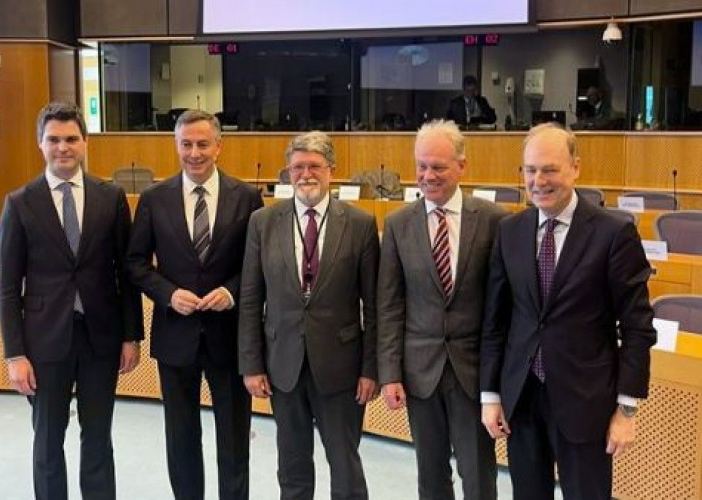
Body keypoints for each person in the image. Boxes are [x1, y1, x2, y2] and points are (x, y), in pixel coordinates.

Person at [480, 123, 656, 500]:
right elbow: (496, 322)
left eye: (550, 169)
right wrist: (490, 394)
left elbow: (638, 328)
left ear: (575, 168)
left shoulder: (613, 234)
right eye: (530, 170)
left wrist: (627, 409)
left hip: (585, 402)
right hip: (522, 398)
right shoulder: (510, 231)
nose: (538, 181)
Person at [0, 101, 143, 500]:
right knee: (47, 440)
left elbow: (126, 273)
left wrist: (131, 335)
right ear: (40, 143)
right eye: (54, 139)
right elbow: (8, 287)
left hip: (101, 339)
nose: (63, 147)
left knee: (98, 437)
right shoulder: (20, 202)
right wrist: (14, 354)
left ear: (85, 142)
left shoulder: (111, 197)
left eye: (71, 139)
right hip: (43, 342)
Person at [126, 109, 263, 500]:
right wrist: (168, 293)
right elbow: (135, 263)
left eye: (203, 144)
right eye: (186, 144)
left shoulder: (247, 197)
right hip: (175, 337)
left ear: (219, 146)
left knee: (234, 439)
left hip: (230, 339)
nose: (194, 153)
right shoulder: (154, 199)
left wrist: (232, 292)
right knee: (181, 438)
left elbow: (258, 263)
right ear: (176, 145)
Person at [239, 131, 379, 500]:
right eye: (297, 167)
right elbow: (251, 299)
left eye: (314, 166)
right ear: (288, 172)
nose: (305, 174)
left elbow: (374, 306)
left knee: (345, 467)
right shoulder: (262, 222)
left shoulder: (361, 224)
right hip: (283, 366)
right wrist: (251, 365)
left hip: (342, 368)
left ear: (331, 169)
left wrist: (371, 369)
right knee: (292, 468)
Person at [378, 119, 505, 500]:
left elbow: (504, 305)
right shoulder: (398, 224)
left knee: (478, 476)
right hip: (420, 372)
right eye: (421, 166)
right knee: (430, 476)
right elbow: (389, 305)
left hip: (474, 371)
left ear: (462, 166)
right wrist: (389, 373)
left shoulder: (494, 221)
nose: (427, 175)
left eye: (438, 166)